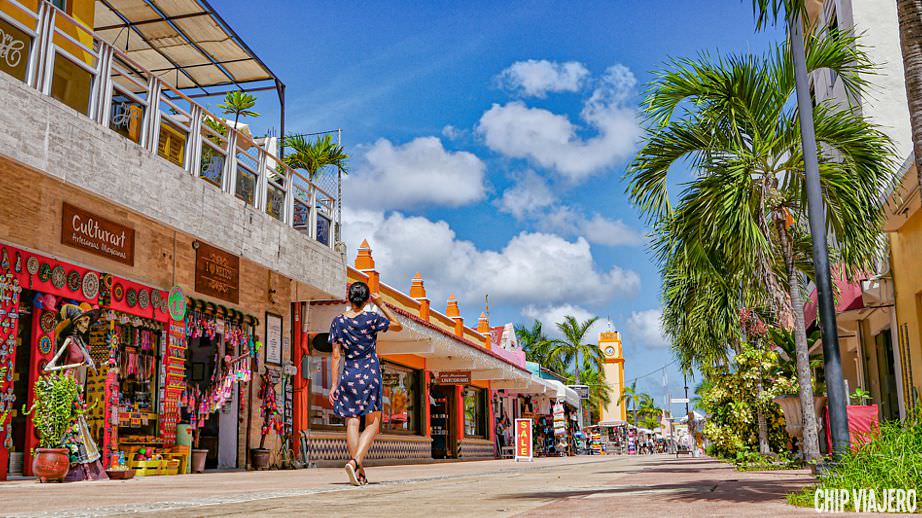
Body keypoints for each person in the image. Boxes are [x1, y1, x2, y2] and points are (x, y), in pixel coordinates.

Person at [328, 281, 403, 486]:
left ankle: (358, 470)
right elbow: (397, 325)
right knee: (372, 423)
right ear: (367, 299)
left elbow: (336, 356)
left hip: (349, 373)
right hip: (369, 372)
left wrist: (334, 385)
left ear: (349, 298)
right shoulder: (371, 318)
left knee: (352, 421)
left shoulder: (338, 321)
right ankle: (355, 462)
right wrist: (381, 304)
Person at [45, 303, 107, 481]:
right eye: (84, 321)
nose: (87, 325)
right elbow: (51, 365)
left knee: (78, 423)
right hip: (67, 387)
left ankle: (83, 466)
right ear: (76, 322)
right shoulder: (69, 341)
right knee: (70, 425)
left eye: (88, 321)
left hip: (78, 389)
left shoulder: (81, 343)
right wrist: (75, 365)